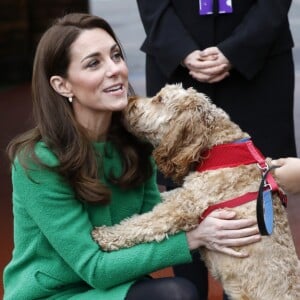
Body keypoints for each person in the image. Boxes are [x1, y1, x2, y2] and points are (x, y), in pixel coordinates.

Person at [3, 13, 261, 300]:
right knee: (177, 294)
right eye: (94, 63)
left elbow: (155, 215)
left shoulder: (133, 142)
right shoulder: (39, 162)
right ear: (62, 85)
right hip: (55, 293)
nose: (115, 69)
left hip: (116, 286)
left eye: (115, 55)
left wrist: (225, 213)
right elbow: (95, 268)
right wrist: (195, 236)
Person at [136, 1, 297, 298]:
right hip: (177, 62)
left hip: (258, 63)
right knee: (185, 198)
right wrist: (180, 49)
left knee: (258, 191)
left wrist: (237, 50)